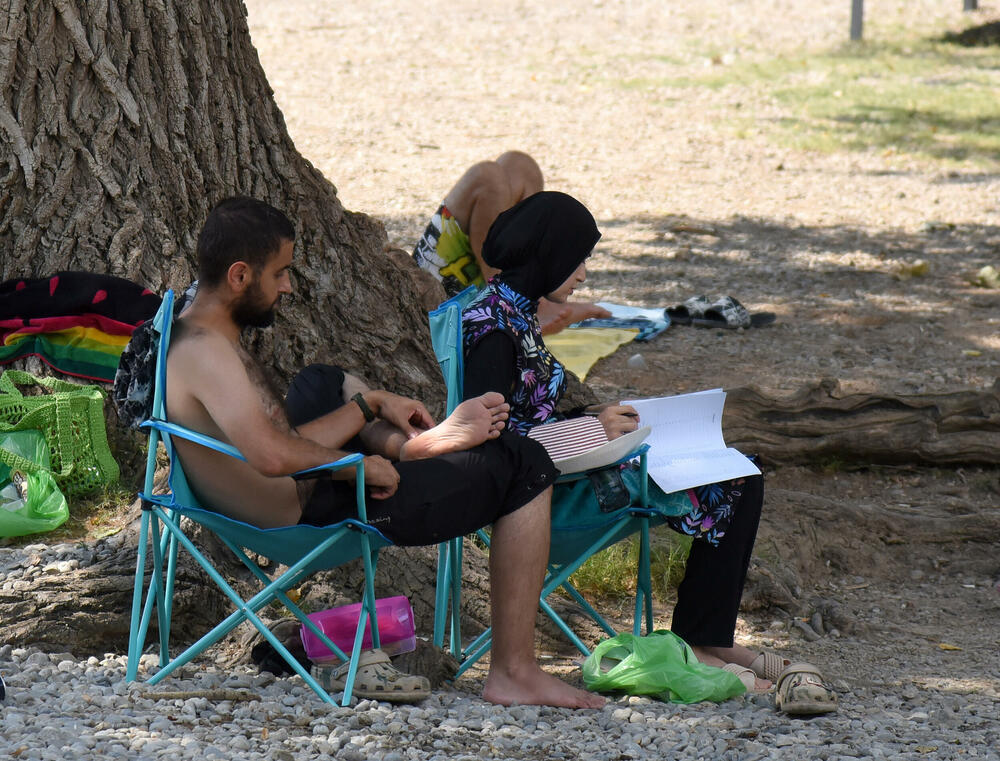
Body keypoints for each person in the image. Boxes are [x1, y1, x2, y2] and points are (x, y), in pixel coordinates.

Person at [165, 196, 604, 709]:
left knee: (321, 381)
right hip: (308, 508)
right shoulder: (207, 352)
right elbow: (270, 456)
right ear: (240, 275)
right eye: (280, 273)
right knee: (523, 461)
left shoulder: (194, 331)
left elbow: (272, 443)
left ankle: (418, 444)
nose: (287, 286)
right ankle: (514, 672)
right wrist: (356, 465)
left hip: (301, 487)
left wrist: (370, 405)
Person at [460, 191, 838, 713]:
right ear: (548, 255)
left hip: (563, 468)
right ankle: (706, 640)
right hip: (543, 492)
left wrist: (589, 421)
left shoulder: (512, 313)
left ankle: (708, 636)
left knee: (737, 469)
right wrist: (593, 431)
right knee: (733, 479)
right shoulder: (494, 329)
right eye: (579, 259)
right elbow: (493, 439)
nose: (585, 274)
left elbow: (524, 421)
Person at [411, 150, 610, 334]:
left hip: (470, 289)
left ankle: (527, 295)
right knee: (487, 178)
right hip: (436, 301)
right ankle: (516, 304)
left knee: (521, 166)